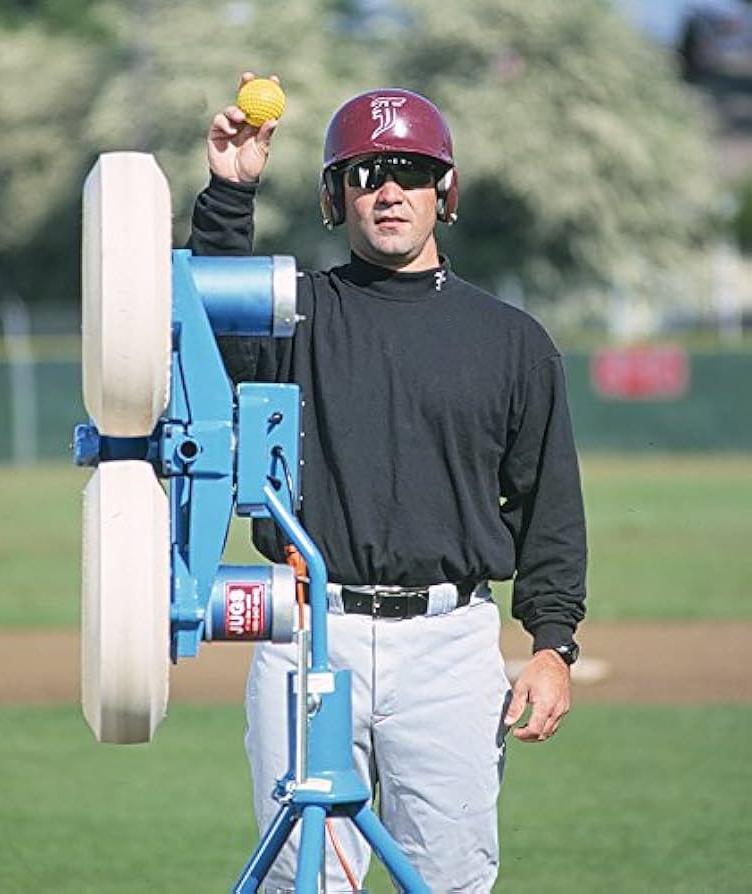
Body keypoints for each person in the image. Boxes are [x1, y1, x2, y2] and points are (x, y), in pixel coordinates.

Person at [188, 73, 587, 893]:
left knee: (448, 880)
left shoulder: (512, 342)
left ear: (446, 190)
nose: (390, 190)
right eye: (366, 173)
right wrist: (231, 192)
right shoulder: (293, 315)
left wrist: (552, 645)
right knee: (305, 881)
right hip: (309, 632)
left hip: (452, 644)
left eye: (411, 170)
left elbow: (549, 509)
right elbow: (209, 320)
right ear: (336, 198)